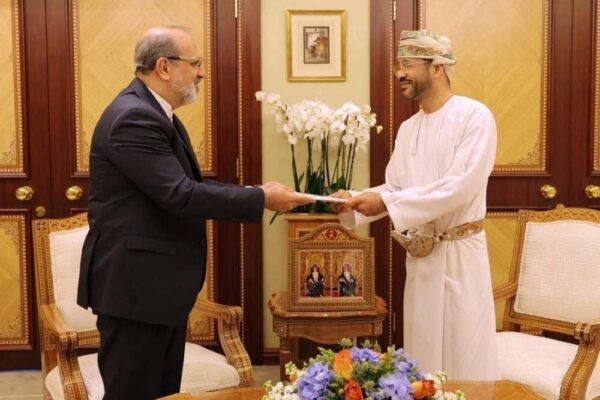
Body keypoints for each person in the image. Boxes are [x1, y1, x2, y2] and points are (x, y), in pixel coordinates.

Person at [76, 25, 313, 399]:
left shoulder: (156, 113)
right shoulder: (134, 117)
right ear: (164, 66)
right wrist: (260, 198)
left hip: (153, 291)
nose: (201, 72)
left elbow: (184, 187)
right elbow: (180, 195)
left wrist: (254, 193)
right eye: (196, 63)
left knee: (163, 394)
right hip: (135, 291)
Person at [332, 29, 499, 380]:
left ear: (437, 67)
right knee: (423, 356)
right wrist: (355, 201)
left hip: (461, 256)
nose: (399, 74)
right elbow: (396, 188)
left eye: (407, 65)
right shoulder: (408, 128)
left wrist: (386, 199)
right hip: (422, 258)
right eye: (398, 66)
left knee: (465, 353)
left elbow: (460, 187)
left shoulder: (474, 116)